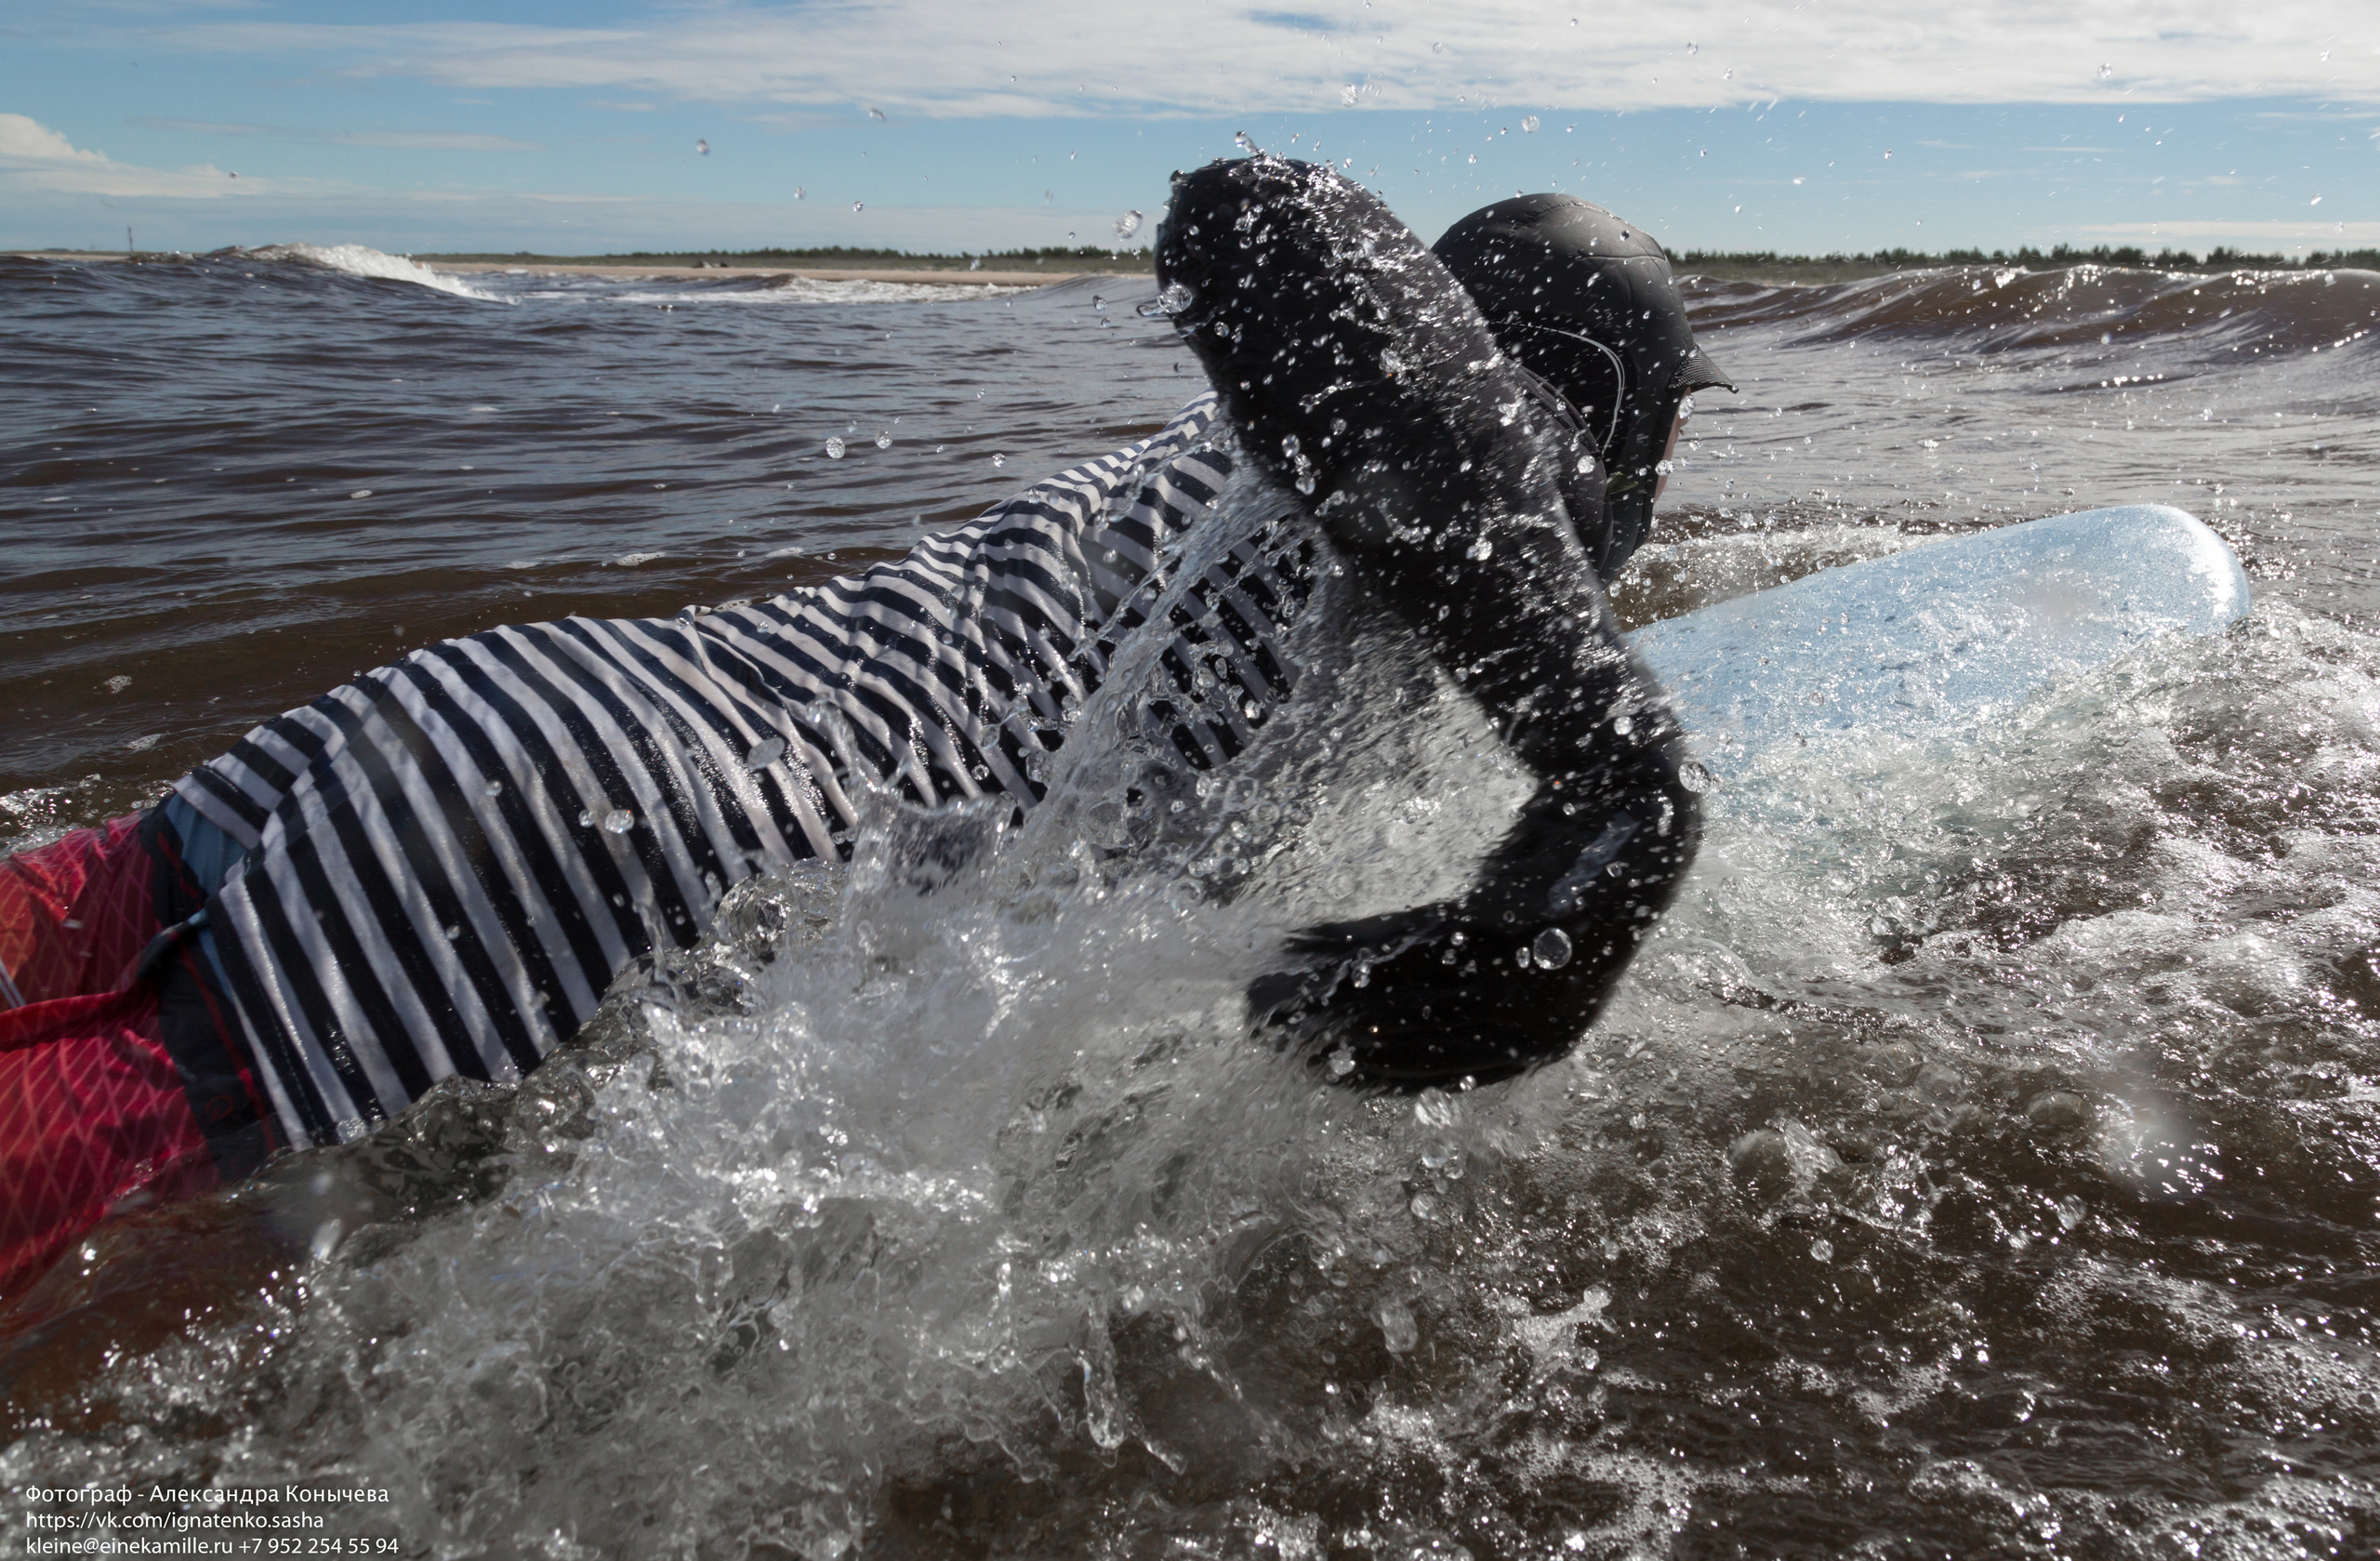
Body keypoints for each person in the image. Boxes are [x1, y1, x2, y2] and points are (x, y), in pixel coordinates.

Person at [0, 161, 1733, 1295]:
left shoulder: (1270, 470)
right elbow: (1261, 210)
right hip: (604, 844)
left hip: (480, 725)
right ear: (1586, 414)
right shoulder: (1467, 476)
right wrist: (1619, 768)